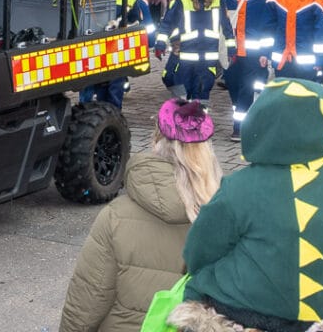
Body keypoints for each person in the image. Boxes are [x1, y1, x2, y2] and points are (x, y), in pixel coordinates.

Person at [170, 78, 323, 332]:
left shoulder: (238, 186)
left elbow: (201, 247)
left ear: (258, 126)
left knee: (201, 283)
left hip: (246, 305)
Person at [59, 98, 222, 332]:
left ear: (156, 140)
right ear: (207, 150)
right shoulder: (230, 215)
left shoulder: (115, 217)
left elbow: (88, 298)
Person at [220, 0, 280, 137]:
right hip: (232, 49)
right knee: (234, 87)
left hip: (255, 51)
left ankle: (240, 128)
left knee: (248, 88)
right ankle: (243, 118)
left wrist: (266, 53)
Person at [154, 0, 234, 104]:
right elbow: (168, 22)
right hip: (187, 57)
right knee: (184, 95)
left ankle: (200, 122)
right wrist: (160, 43)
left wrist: (231, 47)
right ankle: (183, 121)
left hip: (208, 58)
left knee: (202, 95)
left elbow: (226, 24)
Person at [80, 0, 154, 109]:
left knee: (116, 84)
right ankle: (96, 110)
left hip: (119, 48)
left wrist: (124, 27)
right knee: (98, 81)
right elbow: (88, 19)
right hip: (99, 46)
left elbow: (135, 20)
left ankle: (115, 112)